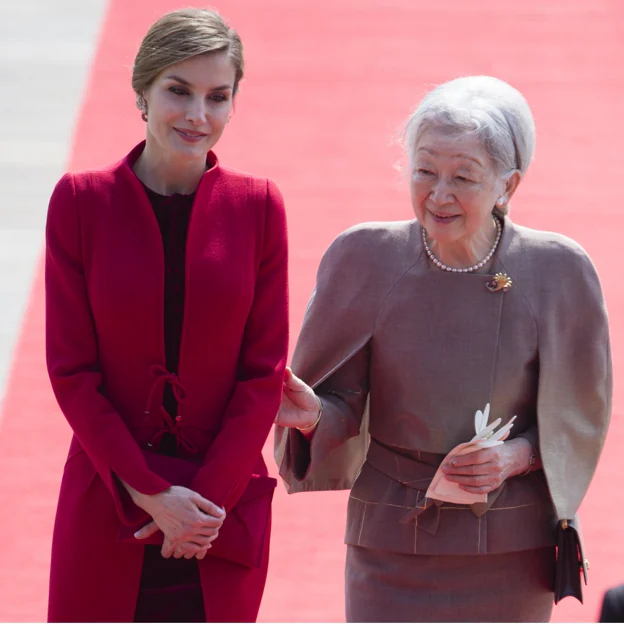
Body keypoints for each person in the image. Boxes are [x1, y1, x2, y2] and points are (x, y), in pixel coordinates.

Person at [275, 75, 611, 623]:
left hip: (509, 545)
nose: (438, 194)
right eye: (425, 170)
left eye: (463, 177)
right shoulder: (364, 257)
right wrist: (313, 414)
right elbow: (339, 405)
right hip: (390, 538)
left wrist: (513, 457)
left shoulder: (558, 270)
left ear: (509, 185)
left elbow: (577, 411)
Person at [45, 8, 288, 623]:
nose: (197, 115)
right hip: (109, 502)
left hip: (217, 517)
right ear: (142, 93)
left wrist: (198, 506)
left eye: (217, 96)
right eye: (178, 91)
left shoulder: (258, 207)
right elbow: (71, 371)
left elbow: (265, 374)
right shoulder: (81, 201)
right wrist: (150, 493)